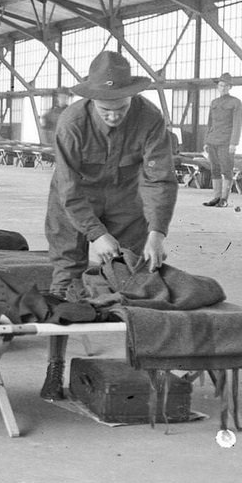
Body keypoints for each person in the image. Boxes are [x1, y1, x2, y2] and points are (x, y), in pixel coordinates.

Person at [45, 50, 178, 299]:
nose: (114, 115)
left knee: (129, 275)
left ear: (132, 95)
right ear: (92, 99)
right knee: (67, 273)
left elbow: (159, 179)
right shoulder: (71, 122)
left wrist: (157, 233)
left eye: (122, 107)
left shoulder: (150, 118)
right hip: (75, 200)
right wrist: (95, 233)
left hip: (125, 200)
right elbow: (68, 187)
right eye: (105, 109)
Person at [203, 72, 242, 207]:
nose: (223, 88)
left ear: (230, 87)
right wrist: (206, 141)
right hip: (212, 140)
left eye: (226, 85)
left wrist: (234, 143)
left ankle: (224, 199)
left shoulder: (235, 102)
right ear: (218, 87)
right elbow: (210, 123)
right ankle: (216, 197)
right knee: (214, 169)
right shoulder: (214, 102)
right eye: (221, 85)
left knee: (226, 169)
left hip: (226, 141)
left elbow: (238, 123)